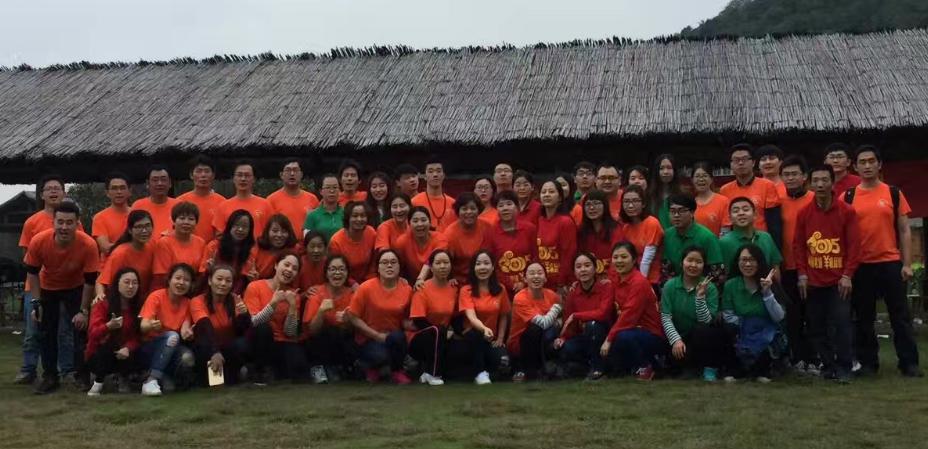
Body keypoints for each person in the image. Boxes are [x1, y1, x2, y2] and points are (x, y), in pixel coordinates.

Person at [846, 145, 921, 377]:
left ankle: (909, 363)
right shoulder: (848, 196)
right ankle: (869, 363)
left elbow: (905, 230)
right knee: (864, 318)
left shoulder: (893, 193)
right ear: (855, 167)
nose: (867, 166)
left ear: (879, 165)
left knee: (900, 316)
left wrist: (907, 264)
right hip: (861, 265)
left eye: (871, 161)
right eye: (862, 162)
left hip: (890, 263)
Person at [794, 165, 861, 383]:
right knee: (816, 326)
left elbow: (854, 246)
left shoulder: (846, 211)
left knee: (842, 324)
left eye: (825, 180)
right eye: (816, 181)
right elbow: (798, 246)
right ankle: (828, 366)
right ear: (810, 184)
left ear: (832, 183)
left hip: (838, 281)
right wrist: (802, 275)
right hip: (813, 282)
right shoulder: (804, 213)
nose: (820, 184)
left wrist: (847, 275)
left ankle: (844, 366)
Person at [23, 202, 99, 394]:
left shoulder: (88, 244)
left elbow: (90, 281)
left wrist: (83, 311)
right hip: (48, 287)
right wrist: (36, 302)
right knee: (45, 332)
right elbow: (32, 273)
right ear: (53, 222)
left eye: (69, 222)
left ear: (77, 223)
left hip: (76, 287)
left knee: (81, 332)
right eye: (60, 222)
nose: (64, 227)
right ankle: (50, 376)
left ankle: (82, 375)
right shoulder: (39, 241)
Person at [15, 174, 83, 386]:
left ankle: (67, 370)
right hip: (36, 285)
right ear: (42, 194)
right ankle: (28, 369)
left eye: (57, 188)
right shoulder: (32, 222)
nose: (53, 191)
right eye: (49, 188)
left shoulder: (75, 222)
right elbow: (27, 257)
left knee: (65, 330)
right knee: (34, 330)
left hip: (66, 285)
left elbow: (79, 250)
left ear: (64, 193)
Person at [347, 249, 414, 384]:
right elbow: (352, 316)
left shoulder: (407, 290)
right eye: (384, 262)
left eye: (393, 262)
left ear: (399, 266)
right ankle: (371, 367)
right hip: (368, 338)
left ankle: (397, 371)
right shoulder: (366, 288)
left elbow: (406, 319)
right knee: (380, 356)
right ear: (378, 267)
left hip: (393, 338)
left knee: (398, 338)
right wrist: (377, 335)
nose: (389, 266)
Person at [660, 247, 728, 382]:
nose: (693, 265)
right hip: (678, 337)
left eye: (698, 262)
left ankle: (710, 368)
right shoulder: (670, 286)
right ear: (682, 263)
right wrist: (676, 340)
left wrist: (700, 297)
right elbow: (666, 317)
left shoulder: (710, 288)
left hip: (702, 338)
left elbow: (706, 322)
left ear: (704, 265)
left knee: (705, 331)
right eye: (689, 260)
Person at [600, 242, 666, 380]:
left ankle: (649, 366)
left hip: (649, 334)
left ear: (634, 259)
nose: (619, 261)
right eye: (615, 257)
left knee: (622, 337)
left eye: (624, 257)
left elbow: (628, 315)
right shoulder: (615, 281)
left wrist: (608, 339)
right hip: (628, 330)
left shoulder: (639, 282)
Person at [721, 245, 787, 382]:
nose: (747, 264)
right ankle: (738, 368)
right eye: (743, 260)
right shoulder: (730, 285)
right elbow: (728, 315)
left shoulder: (769, 283)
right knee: (727, 331)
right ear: (738, 262)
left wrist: (767, 292)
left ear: (759, 262)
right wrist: (748, 325)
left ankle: (763, 370)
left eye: (752, 260)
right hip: (741, 330)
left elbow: (779, 317)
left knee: (770, 335)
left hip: (766, 332)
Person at [778, 156, 816, 372]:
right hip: (787, 267)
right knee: (792, 316)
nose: (790, 178)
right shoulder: (777, 200)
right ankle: (797, 358)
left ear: (804, 177)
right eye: (786, 175)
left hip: (813, 266)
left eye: (795, 174)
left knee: (813, 314)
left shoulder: (815, 198)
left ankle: (815, 358)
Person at [244, 252, 306, 383]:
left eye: (294, 268)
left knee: (297, 366)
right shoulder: (255, 286)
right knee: (263, 329)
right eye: (286, 265)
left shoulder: (294, 295)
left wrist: (292, 306)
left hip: (282, 342)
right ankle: (258, 370)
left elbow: (290, 333)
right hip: (259, 339)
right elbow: (254, 322)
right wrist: (273, 303)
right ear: (276, 265)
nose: (290, 270)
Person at [138, 263, 196, 396]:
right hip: (150, 347)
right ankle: (150, 380)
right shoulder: (156, 296)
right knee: (172, 336)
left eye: (186, 280)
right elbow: (143, 326)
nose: (181, 283)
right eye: (178, 278)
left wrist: (188, 333)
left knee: (187, 358)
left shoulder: (188, 303)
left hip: (172, 348)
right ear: (169, 280)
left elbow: (185, 327)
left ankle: (166, 377)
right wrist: (152, 325)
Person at [190, 265, 252, 385]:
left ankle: (237, 372)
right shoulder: (197, 301)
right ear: (210, 281)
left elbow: (242, 330)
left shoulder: (235, 299)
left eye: (228, 281)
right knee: (213, 384)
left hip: (228, 347)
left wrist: (245, 315)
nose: (223, 284)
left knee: (242, 344)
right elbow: (204, 326)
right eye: (219, 279)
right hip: (207, 347)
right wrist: (215, 352)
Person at [556, 252, 614, 380]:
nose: (583, 270)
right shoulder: (573, 292)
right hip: (584, 336)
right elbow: (568, 321)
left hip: (605, 336)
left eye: (587, 265)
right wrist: (563, 338)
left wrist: (577, 315)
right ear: (574, 271)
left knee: (592, 325)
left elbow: (603, 313)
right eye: (578, 267)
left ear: (595, 268)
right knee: (566, 348)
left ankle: (598, 369)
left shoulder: (606, 286)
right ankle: (588, 366)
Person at [85, 268, 142, 396]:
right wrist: (108, 326)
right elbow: (93, 334)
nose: (131, 286)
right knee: (108, 345)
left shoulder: (137, 307)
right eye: (126, 282)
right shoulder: (102, 304)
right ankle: (98, 382)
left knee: (138, 350)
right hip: (99, 353)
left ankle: (124, 378)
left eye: (134, 283)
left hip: (124, 353)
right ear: (117, 284)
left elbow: (137, 337)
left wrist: (128, 347)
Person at [458, 251, 511, 385]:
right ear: (473, 268)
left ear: (492, 267)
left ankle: (484, 370)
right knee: (475, 335)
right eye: (478, 264)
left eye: (486, 263)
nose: (482, 267)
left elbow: (504, 315)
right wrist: (484, 329)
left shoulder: (501, 289)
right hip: (472, 337)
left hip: (491, 339)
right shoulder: (466, 290)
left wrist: (500, 338)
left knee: (503, 362)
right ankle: (479, 373)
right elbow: (471, 317)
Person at [407, 250, 458, 386]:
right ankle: (432, 373)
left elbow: (454, 316)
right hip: (420, 337)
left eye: (446, 262)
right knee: (437, 331)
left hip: (444, 336)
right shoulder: (422, 288)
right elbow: (418, 320)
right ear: (431, 266)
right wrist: (441, 332)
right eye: (438, 263)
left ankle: (426, 373)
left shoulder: (454, 288)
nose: (442, 266)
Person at [303, 255, 356, 383]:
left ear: (347, 273)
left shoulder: (353, 295)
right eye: (332, 269)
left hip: (343, 340)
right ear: (326, 273)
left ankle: (342, 368)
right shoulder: (317, 293)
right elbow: (312, 331)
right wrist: (321, 312)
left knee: (344, 335)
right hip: (320, 342)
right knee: (325, 332)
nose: (337, 273)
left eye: (341, 269)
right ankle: (318, 368)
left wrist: (348, 321)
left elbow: (357, 328)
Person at [720, 144, 782, 246]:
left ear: (753, 162)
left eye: (744, 159)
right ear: (731, 165)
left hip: (761, 243)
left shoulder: (767, 186)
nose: (740, 163)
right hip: (736, 245)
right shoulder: (725, 190)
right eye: (736, 160)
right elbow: (726, 224)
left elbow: (774, 223)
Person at [508, 262, 561, 381]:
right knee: (535, 328)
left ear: (545, 278)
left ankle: (548, 367)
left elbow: (561, 317)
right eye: (531, 273)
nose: (536, 276)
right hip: (521, 344)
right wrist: (556, 308)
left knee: (553, 330)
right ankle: (528, 370)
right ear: (525, 279)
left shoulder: (552, 295)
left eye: (540, 273)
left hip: (544, 339)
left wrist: (559, 322)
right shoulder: (520, 298)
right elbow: (543, 323)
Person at [483, 190, 538, 294]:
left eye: (509, 204)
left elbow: (536, 257)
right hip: (501, 288)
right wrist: (510, 284)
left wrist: (525, 281)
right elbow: (490, 263)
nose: (505, 208)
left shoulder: (530, 229)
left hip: (530, 284)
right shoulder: (490, 232)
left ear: (517, 207)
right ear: (496, 210)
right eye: (501, 205)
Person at [661, 194, 723, 282]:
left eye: (681, 211)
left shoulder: (707, 237)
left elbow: (716, 272)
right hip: (675, 286)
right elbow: (666, 268)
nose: (676, 215)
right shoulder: (667, 235)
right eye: (672, 211)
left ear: (692, 212)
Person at [96, 210, 156, 301]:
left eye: (147, 226)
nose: (144, 231)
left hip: (145, 300)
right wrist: (100, 297)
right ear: (130, 230)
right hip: (123, 301)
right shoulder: (120, 254)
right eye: (139, 227)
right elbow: (101, 282)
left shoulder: (153, 245)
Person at [200, 210, 258, 295]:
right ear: (229, 226)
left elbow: (246, 279)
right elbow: (202, 273)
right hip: (211, 292)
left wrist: (252, 280)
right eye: (237, 225)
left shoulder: (251, 251)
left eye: (245, 227)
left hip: (236, 295)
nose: (240, 229)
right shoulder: (214, 246)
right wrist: (208, 269)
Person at [719, 197, 783, 273]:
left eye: (746, 209)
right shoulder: (724, 243)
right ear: (730, 218)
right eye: (736, 211)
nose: (741, 213)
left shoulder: (766, 237)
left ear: (755, 214)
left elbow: (775, 267)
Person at [152, 201, 206, 288]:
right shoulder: (164, 242)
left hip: (194, 288)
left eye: (191, 219)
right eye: (182, 218)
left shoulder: (201, 242)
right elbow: (161, 276)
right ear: (173, 221)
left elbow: (201, 272)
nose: (186, 222)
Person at [213, 160, 273, 238]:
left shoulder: (265, 205)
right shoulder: (223, 206)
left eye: (247, 175)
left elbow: (271, 232)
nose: (243, 179)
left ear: (254, 179)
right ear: (233, 179)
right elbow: (219, 236)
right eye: (239, 175)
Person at [536, 180, 577, 289]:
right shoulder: (539, 220)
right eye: (543, 192)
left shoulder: (565, 222)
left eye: (551, 191)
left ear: (559, 197)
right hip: (540, 281)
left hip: (560, 283)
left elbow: (568, 255)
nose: (547, 195)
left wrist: (561, 283)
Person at [443, 192, 492, 283]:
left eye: (473, 208)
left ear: (478, 210)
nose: (469, 212)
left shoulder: (488, 226)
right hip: (460, 281)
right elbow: (442, 259)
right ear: (458, 211)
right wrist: (450, 278)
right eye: (464, 209)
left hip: (487, 278)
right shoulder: (450, 233)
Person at [620, 185, 664, 285]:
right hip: (632, 276)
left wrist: (640, 283)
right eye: (626, 202)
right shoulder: (626, 227)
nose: (630, 206)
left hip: (652, 278)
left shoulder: (651, 223)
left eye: (635, 201)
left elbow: (647, 259)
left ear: (643, 203)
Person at [178, 155, 227, 242]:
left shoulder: (223, 202)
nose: (203, 175)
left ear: (213, 175)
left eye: (207, 171)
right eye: (199, 171)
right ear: (191, 175)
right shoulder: (180, 202)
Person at [396, 207, 449, 284]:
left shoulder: (440, 239)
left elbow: (431, 260)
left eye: (423, 220)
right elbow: (399, 265)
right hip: (410, 283)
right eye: (415, 221)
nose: (419, 224)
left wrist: (420, 279)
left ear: (430, 222)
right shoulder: (402, 241)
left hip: (437, 281)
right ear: (409, 224)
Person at [577, 190, 623, 277]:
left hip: (611, 277)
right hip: (589, 278)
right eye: (588, 204)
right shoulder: (581, 231)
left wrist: (610, 278)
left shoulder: (615, 228)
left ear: (605, 206)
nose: (591, 208)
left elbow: (618, 256)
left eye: (596, 203)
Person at [267, 159, 320, 235]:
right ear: (281, 175)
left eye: (295, 170)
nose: (292, 174)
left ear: (301, 174)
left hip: (306, 242)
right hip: (283, 242)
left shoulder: (312, 199)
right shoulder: (271, 200)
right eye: (288, 170)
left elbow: (317, 224)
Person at [328, 202, 377, 280]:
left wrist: (369, 279)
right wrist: (353, 283)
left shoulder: (371, 233)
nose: (359, 219)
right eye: (355, 216)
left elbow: (374, 262)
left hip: (368, 279)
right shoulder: (336, 241)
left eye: (363, 216)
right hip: (344, 280)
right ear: (348, 218)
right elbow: (337, 269)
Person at [132, 165, 180, 238]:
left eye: (163, 180)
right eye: (155, 180)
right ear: (147, 183)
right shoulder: (138, 206)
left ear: (170, 183)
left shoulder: (179, 205)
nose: (159, 183)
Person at [91, 172, 131, 258]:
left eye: (122, 188)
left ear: (129, 191)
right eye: (114, 188)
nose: (119, 192)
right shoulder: (100, 218)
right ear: (107, 193)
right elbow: (106, 248)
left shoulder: (137, 214)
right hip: (109, 264)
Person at [412, 159, 457, 232]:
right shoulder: (414, 202)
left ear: (443, 176)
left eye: (438, 171)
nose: (435, 175)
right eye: (430, 171)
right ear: (424, 176)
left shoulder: (453, 203)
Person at [254, 214, 300, 279]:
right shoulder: (257, 248)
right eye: (275, 231)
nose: (279, 235)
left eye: (284, 231)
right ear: (267, 231)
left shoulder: (294, 250)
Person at [691, 161, 730, 236]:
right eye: (697, 176)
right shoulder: (688, 202)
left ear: (711, 179)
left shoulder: (723, 201)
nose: (701, 179)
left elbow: (725, 232)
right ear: (692, 180)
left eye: (705, 176)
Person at [303, 173, 344, 243]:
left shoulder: (346, 213)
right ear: (321, 191)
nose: (332, 191)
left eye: (335, 187)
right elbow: (307, 241)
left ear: (339, 191)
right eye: (328, 187)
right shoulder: (312, 216)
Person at [650, 154, 682, 229]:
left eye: (669, 168)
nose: (665, 172)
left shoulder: (682, 195)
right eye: (661, 168)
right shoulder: (650, 195)